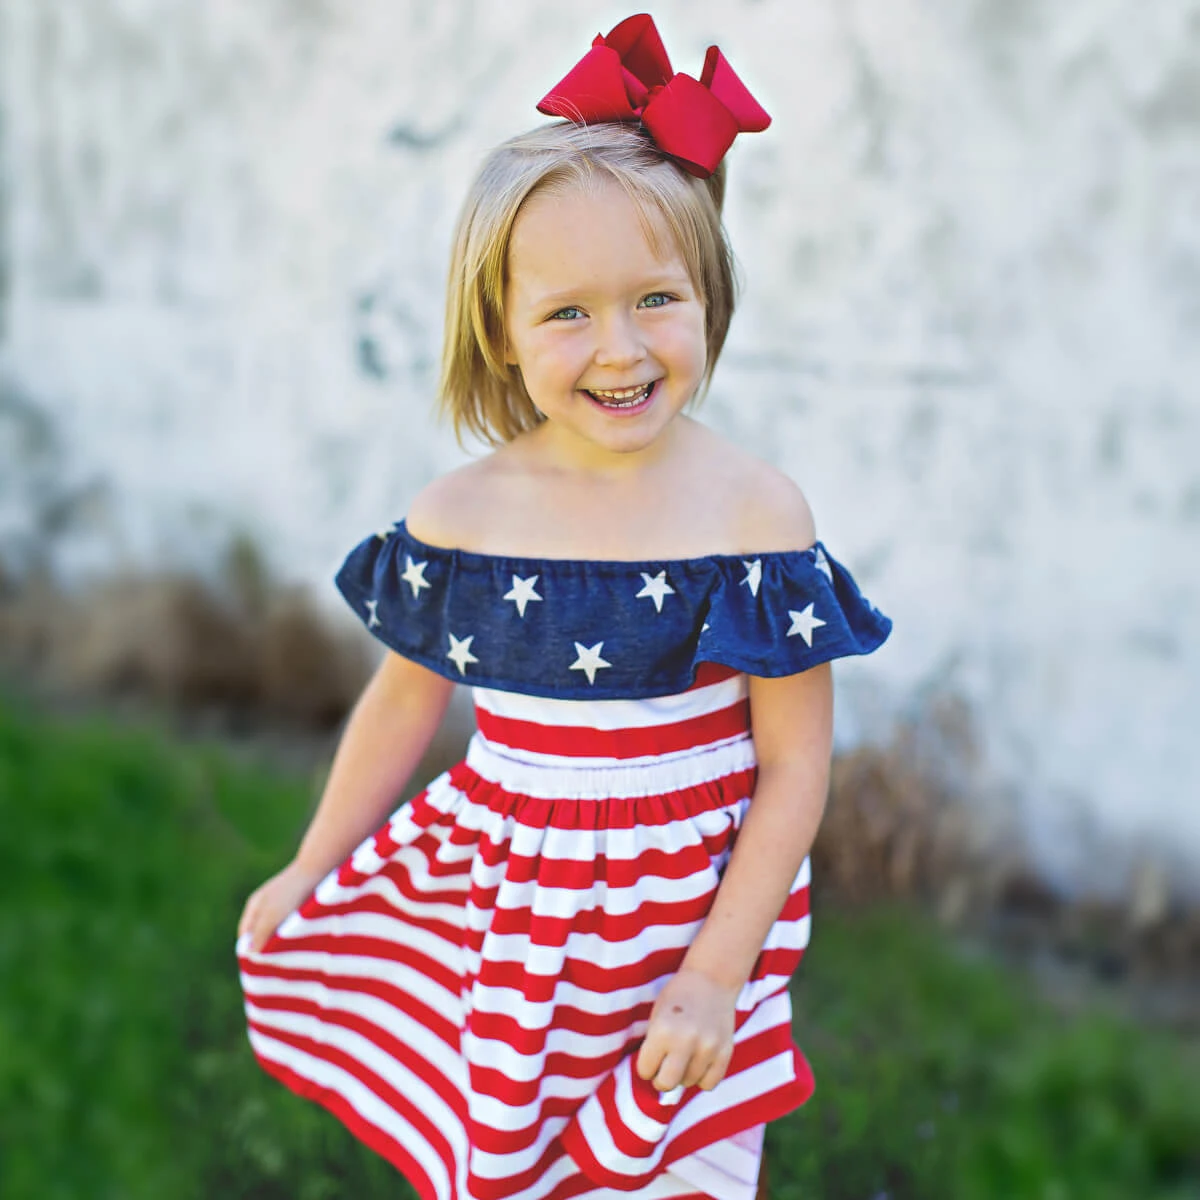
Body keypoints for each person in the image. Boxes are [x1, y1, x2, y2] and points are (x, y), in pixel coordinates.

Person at [237, 14, 891, 1200]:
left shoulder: (755, 522)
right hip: (519, 933)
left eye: (655, 298)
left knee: (680, 1174)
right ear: (498, 325)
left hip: (683, 928)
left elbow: (795, 766)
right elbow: (400, 706)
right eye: (568, 312)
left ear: (710, 296)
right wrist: (311, 864)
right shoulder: (461, 517)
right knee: (522, 1172)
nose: (620, 348)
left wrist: (715, 972)